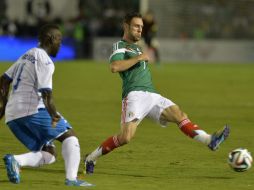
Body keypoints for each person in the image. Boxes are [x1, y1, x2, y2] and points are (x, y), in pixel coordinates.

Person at [83, 12, 230, 174]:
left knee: (179, 114)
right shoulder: (121, 45)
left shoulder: (138, 48)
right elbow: (114, 66)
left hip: (152, 95)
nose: (140, 30)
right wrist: (138, 58)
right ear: (126, 26)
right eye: (136, 26)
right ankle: (91, 157)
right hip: (134, 95)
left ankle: (209, 140)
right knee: (125, 137)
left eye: (141, 27)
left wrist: (140, 55)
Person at [0, 24, 93, 187]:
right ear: (51, 39)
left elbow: (3, 80)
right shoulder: (45, 60)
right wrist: (54, 115)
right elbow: (46, 94)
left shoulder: (27, 54)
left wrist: (3, 106)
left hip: (12, 117)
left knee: (49, 153)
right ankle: (72, 179)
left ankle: (16, 160)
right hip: (31, 111)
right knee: (69, 135)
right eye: (59, 40)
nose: (60, 44)